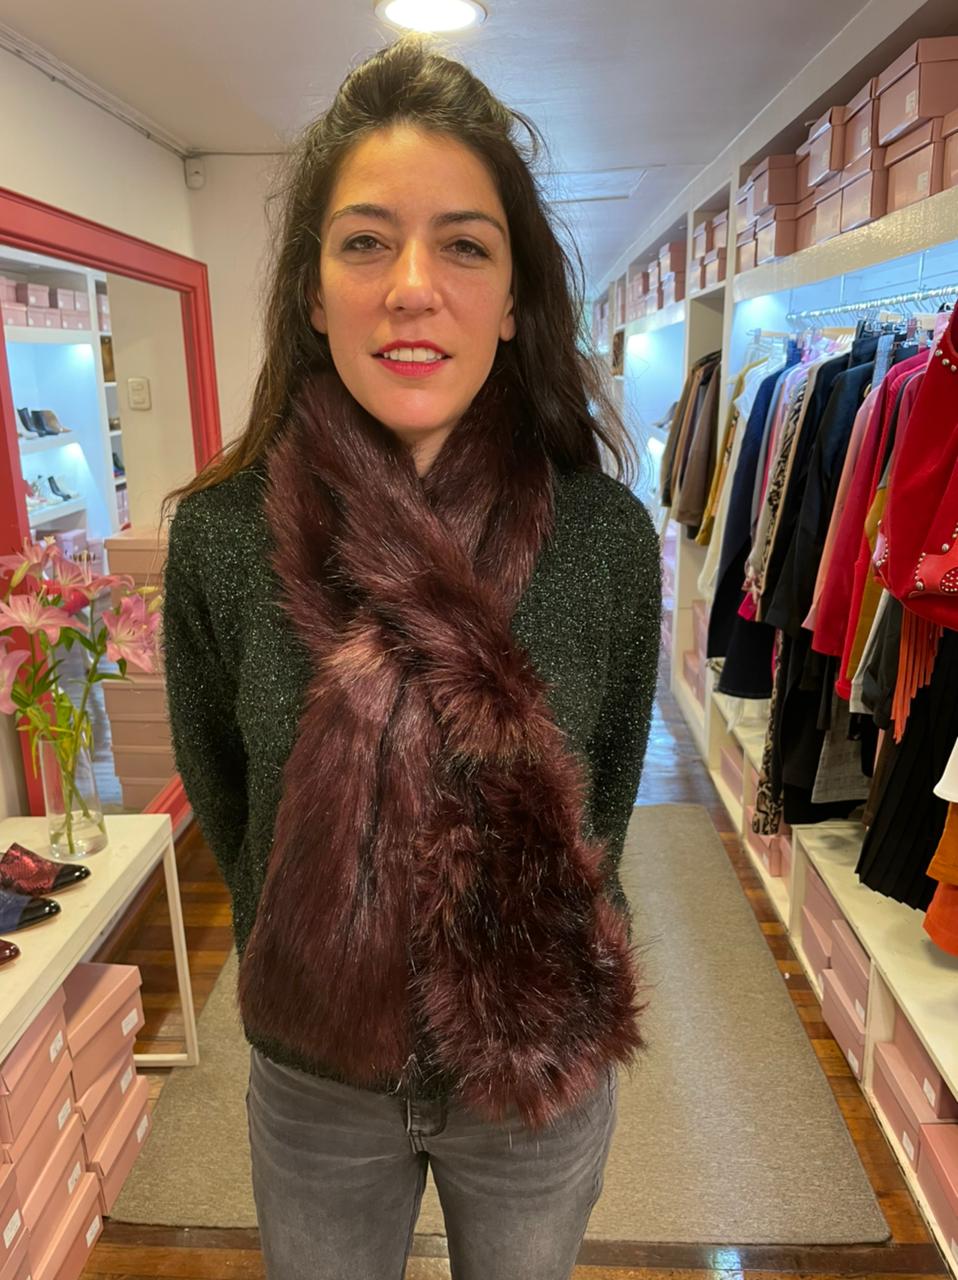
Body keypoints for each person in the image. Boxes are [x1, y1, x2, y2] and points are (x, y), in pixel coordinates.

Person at [160, 31, 661, 1280]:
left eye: (464, 246)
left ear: (515, 297)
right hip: (315, 1075)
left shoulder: (604, 536)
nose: (411, 287)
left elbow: (601, 788)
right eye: (366, 242)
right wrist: (312, 956)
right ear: (311, 288)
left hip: (533, 1065)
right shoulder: (221, 536)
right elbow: (225, 791)